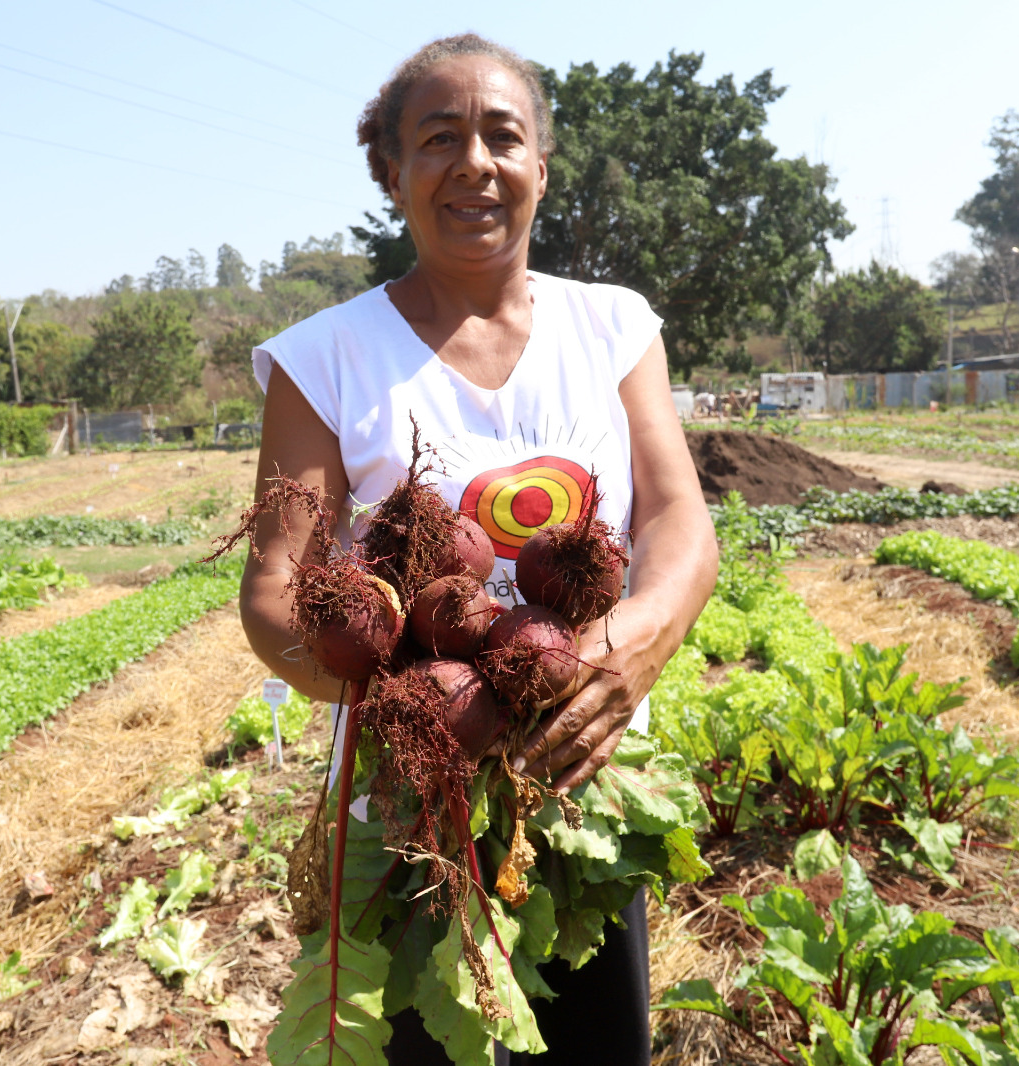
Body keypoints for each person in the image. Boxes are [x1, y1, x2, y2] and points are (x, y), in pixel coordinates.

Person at [238, 33, 718, 1066]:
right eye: (438, 138)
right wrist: (409, 691)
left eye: (503, 136)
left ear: (540, 166)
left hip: (583, 780)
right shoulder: (323, 359)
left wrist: (635, 639)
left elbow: (678, 514)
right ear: (392, 172)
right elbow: (277, 587)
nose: (474, 163)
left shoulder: (613, 327)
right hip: (414, 803)